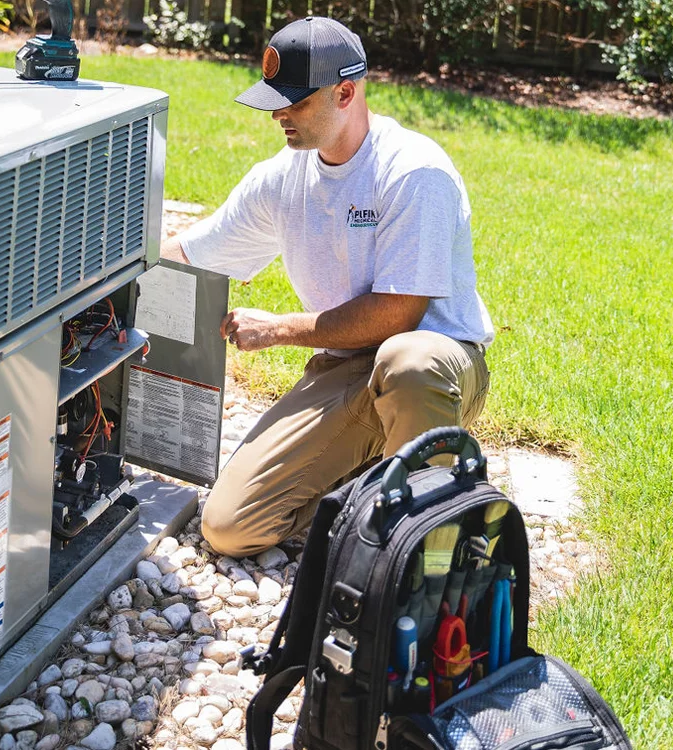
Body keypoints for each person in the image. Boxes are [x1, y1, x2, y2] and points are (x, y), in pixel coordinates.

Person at [161, 16, 494, 558]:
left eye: (294, 101)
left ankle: (431, 544)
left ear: (346, 92)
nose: (277, 114)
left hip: (437, 368)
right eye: (274, 99)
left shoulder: (413, 172)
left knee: (407, 361)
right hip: (343, 367)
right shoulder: (283, 177)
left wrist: (279, 329)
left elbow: (399, 314)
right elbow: (193, 254)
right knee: (230, 525)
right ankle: (380, 492)